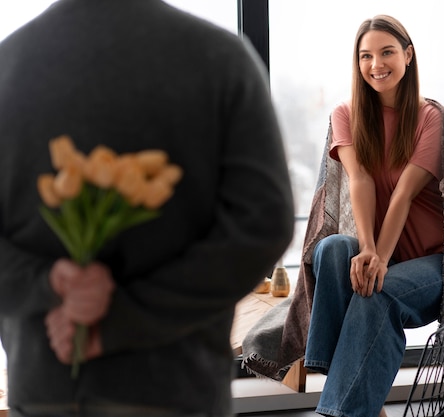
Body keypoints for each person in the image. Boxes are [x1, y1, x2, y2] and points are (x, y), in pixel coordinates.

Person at [0, 1, 294, 416]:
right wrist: (127, 319)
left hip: (45, 384)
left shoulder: (7, 65)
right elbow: (264, 226)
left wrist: (51, 282)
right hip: (176, 386)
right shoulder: (220, 58)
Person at [302, 15, 444, 417]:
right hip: (388, 252)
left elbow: (404, 193)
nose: (377, 64)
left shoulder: (431, 118)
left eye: (387, 52)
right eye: (366, 56)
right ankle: (359, 397)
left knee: (378, 293)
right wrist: (369, 249)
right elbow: (360, 181)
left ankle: (347, 410)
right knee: (333, 249)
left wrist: (380, 260)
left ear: (408, 55)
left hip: (438, 263)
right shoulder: (346, 113)